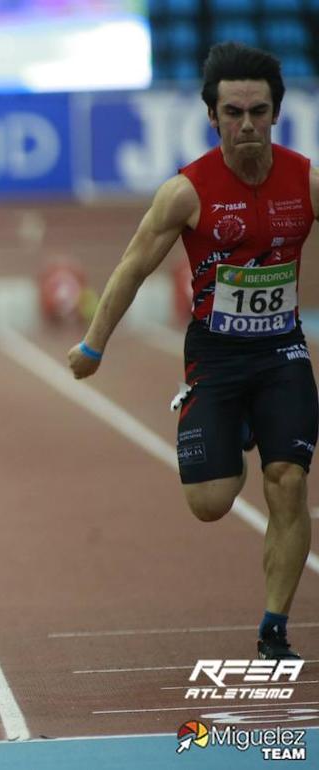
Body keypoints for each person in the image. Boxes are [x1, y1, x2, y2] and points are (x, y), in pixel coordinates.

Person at [70, 43, 314, 660]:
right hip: (216, 354)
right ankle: (231, 429)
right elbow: (132, 267)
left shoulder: (305, 181)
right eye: (234, 111)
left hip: (282, 351)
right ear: (213, 116)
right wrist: (93, 345)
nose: (248, 124)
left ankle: (274, 627)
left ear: (277, 112)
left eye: (259, 110)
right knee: (209, 502)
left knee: (288, 481)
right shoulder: (186, 191)